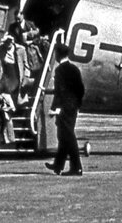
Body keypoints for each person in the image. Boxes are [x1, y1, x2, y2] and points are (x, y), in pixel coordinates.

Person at [45, 43, 84, 176]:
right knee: (63, 136)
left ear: (58, 54)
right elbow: (81, 89)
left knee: (68, 136)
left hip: (64, 108)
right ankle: (58, 164)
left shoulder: (60, 70)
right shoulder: (74, 69)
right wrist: (77, 105)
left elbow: (59, 91)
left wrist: (55, 108)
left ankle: (76, 166)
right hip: (73, 107)